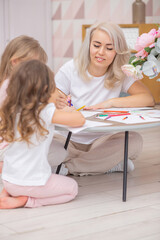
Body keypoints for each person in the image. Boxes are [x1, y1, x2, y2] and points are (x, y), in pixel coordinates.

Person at [54, 22, 155, 176]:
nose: (101, 52)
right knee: (48, 144)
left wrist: (111, 102)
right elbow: (50, 101)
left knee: (134, 141)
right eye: (96, 45)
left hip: (102, 141)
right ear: (88, 45)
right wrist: (61, 105)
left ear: (117, 52)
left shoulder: (120, 73)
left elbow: (147, 98)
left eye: (109, 48)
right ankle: (106, 164)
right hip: (68, 139)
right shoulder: (70, 69)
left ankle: (70, 167)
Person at [0, 60, 85, 209]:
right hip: (29, 182)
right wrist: (70, 110)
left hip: (8, 180)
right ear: (46, 89)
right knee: (72, 189)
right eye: (54, 88)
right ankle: (26, 201)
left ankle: (9, 193)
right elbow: (79, 120)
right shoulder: (44, 111)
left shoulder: (14, 110)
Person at [0, 35, 48, 173]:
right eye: (35, 67)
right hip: (7, 146)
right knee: (59, 153)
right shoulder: (12, 87)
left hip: (9, 142)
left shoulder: (7, 82)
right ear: (15, 62)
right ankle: (9, 166)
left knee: (57, 150)